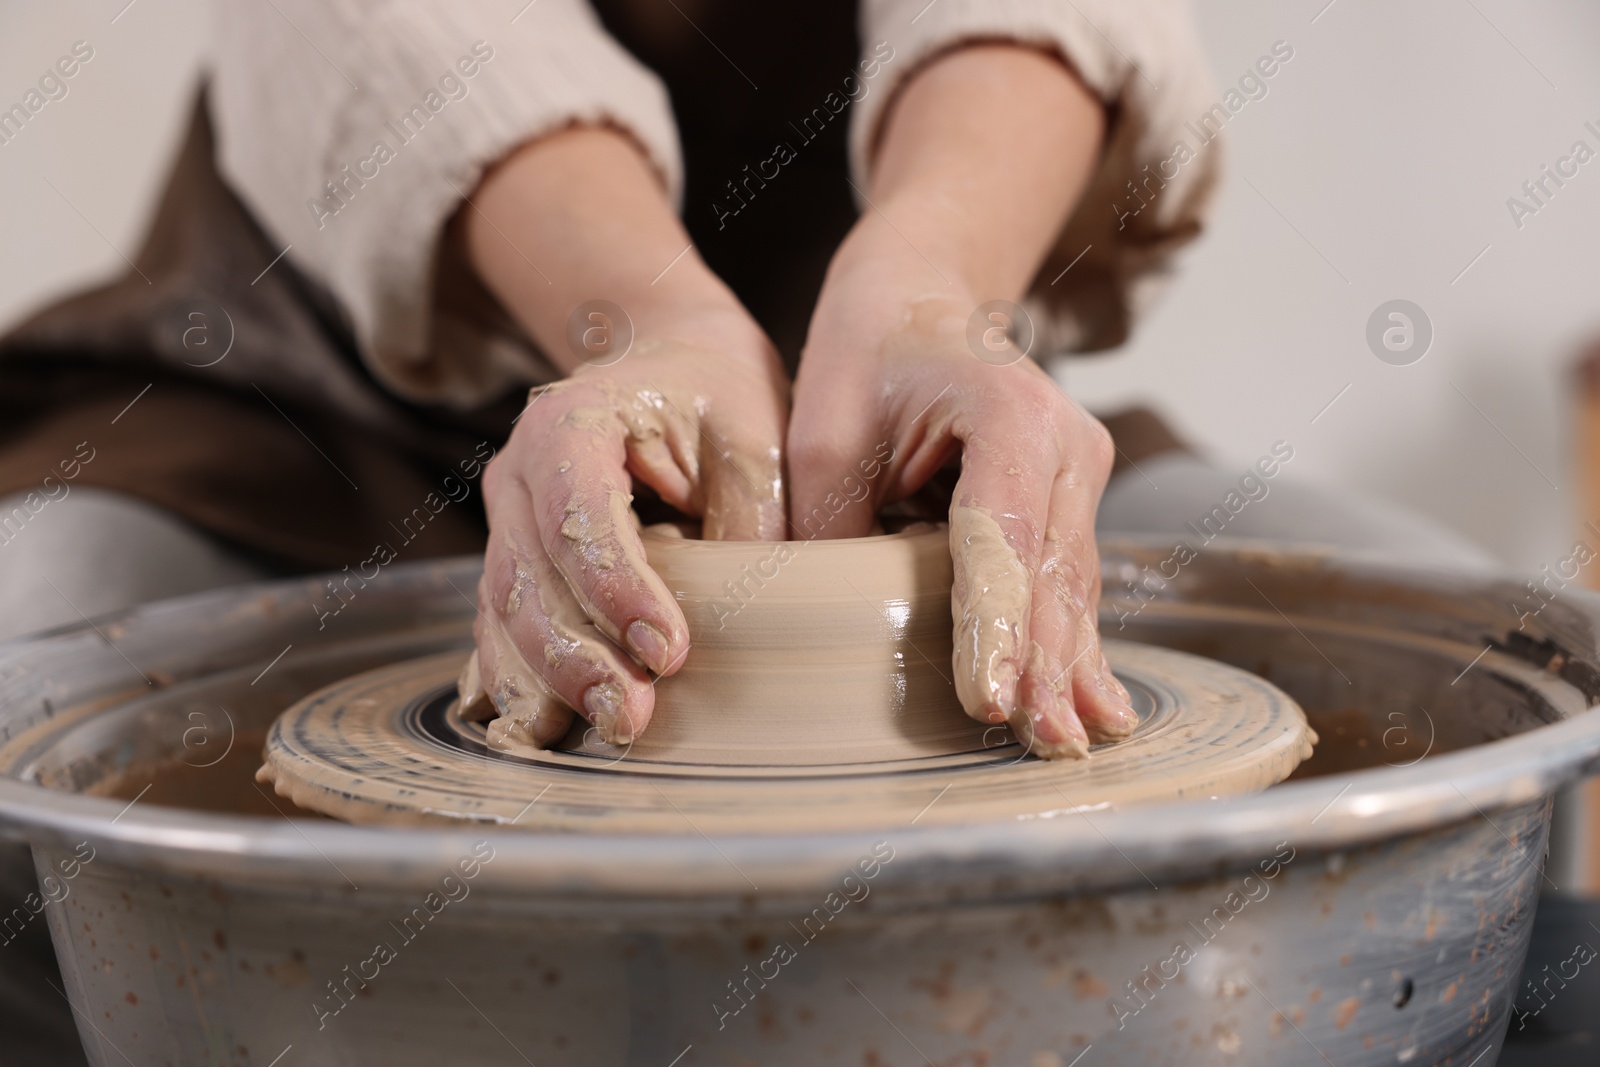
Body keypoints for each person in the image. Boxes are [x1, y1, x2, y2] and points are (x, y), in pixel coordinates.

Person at [0, 3, 1492, 1056]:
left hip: (885, 417)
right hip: (314, 399)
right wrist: (638, 316)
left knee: (1446, 638)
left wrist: (926, 289)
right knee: (38, 629)